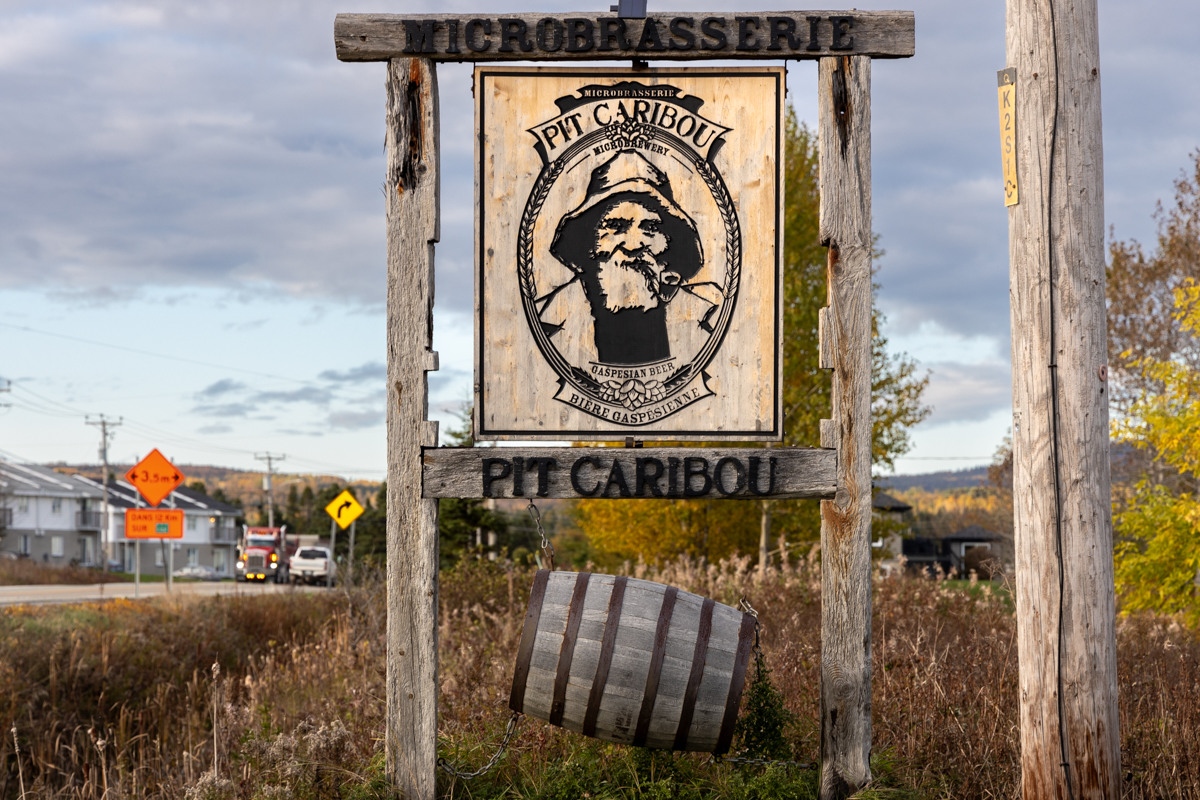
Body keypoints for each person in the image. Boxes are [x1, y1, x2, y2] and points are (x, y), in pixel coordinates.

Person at [538, 149, 722, 367]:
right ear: (587, 243)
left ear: (670, 244)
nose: (634, 244)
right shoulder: (543, 322)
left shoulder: (713, 317)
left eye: (650, 227)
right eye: (616, 226)